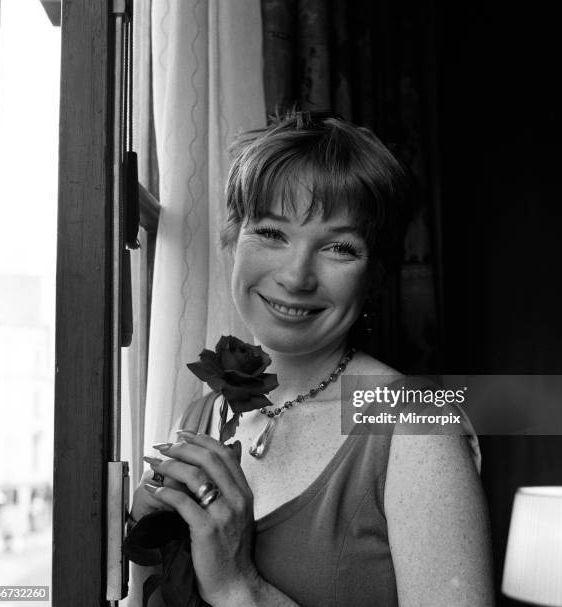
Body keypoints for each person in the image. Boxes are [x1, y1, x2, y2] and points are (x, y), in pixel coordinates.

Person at [129, 111, 495, 606]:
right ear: (232, 240)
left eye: (340, 247)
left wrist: (242, 587)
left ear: (376, 276)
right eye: (272, 233)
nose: (297, 276)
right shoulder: (200, 416)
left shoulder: (416, 425)